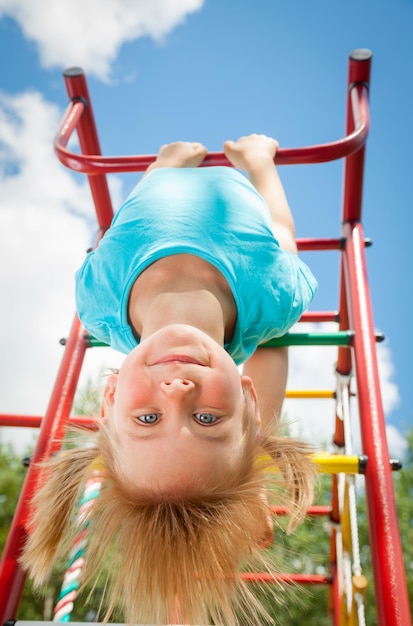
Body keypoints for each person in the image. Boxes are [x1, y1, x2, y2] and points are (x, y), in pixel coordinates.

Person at [21, 134, 318, 625]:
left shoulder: (98, 303)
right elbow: (282, 228)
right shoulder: (272, 298)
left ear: (110, 398)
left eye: (147, 418)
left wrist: (162, 169)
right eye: (206, 418)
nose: (177, 394)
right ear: (247, 399)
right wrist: (260, 165)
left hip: (160, 179)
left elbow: (120, 226)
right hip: (237, 180)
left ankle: (167, 158)